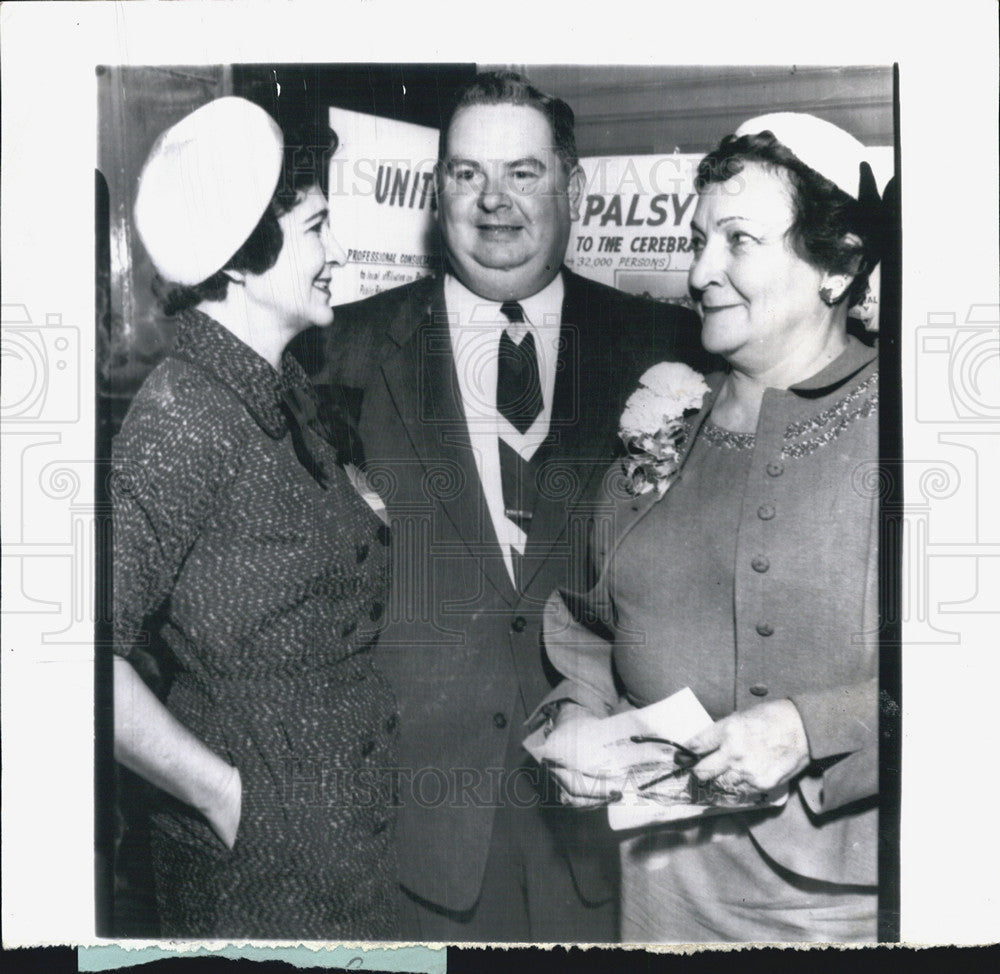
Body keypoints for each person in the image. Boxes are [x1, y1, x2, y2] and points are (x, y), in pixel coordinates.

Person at [292, 71, 716, 941]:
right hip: (413, 840)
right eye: (464, 174)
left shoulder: (670, 351)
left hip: (612, 840)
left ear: (572, 188)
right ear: (437, 187)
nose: (492, 203)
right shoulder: (340, 352)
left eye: (522, 173)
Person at [537, 112, 884, 943]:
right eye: (698, 240)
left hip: (837, 899)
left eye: (738, 241)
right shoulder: (666, 415)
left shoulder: (915, 425)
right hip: (659, 878)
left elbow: (974, 678)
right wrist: (573, 724)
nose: (699, 272)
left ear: (836, 267)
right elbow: (595, 625)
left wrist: (811, 726)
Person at [112, 96, 399, 939]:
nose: (334, 252)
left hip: (346, 854)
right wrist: (229, 799)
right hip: (259, 876)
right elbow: (75, 664)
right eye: (316, 228)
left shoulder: (279, 389)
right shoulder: (182, 417)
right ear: (242, 260)